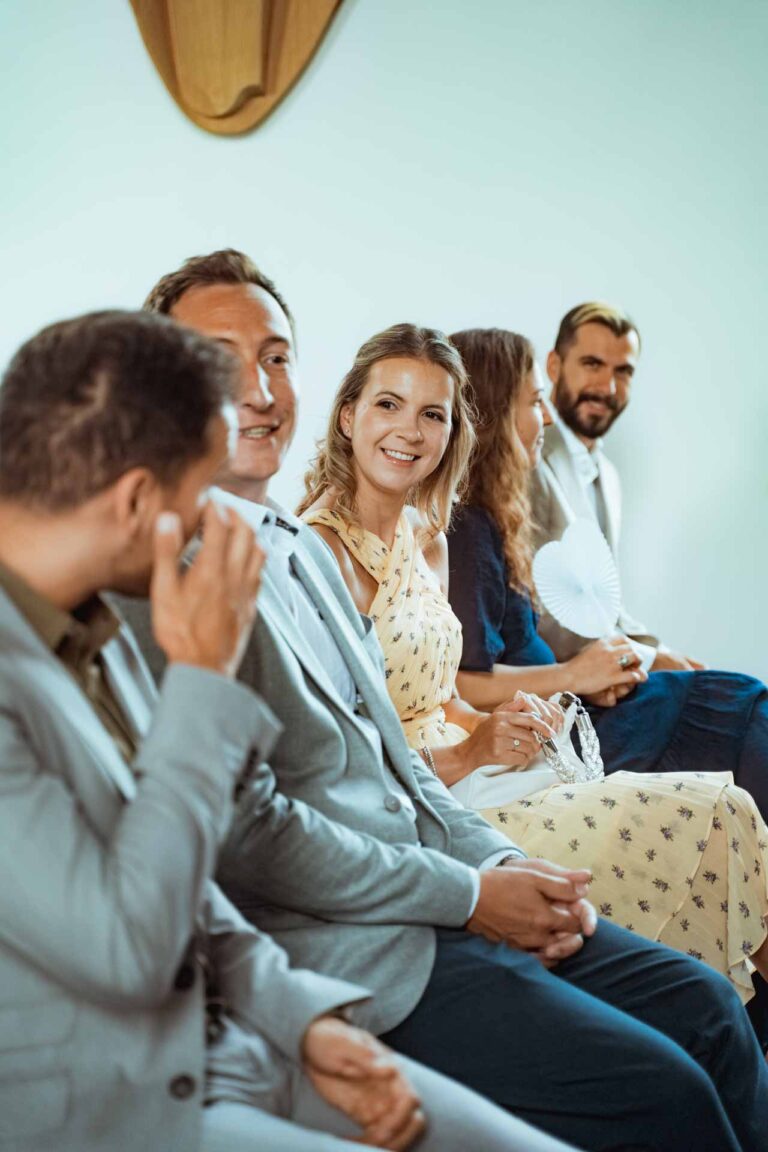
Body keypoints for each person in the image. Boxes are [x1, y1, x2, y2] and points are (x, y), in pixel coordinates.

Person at [118, 249, 768, 1152]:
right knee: (663, 1096)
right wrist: (469, 894)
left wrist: (507, 864)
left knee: (707, 1011)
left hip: (448, 877)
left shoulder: (295, 552)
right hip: (355, 950)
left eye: (276, 356)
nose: (260, 389)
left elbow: (398, 766)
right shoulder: (156, 575)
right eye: (219, 359)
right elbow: (250, 832)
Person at [0, 310, 560, 1152]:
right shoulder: (107, 644)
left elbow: (189, 885)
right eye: (202, 498)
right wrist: (200, 677)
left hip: (237, 1042)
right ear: (137, 503)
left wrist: (303, 1023)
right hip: (107, 1104)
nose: (212, 524)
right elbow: (128, 945)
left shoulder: (84, 625)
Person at [298, 321, 768, 1009]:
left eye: (433, 413)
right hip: (432, 816)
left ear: (454, 430)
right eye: (388, 405)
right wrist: (471, 752)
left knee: (732, 771)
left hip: (486, 776)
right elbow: (336, 765)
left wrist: (509, 720)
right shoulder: (317, 554)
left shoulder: (427, 540)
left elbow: (446, 699)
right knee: (722, 809)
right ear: (349, 416)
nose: (410, 430)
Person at [445, 325, 768, 1040]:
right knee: (744, 705)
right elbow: (464, 678)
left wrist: (622, 664)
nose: (543, 417)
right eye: (531, 401)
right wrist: (580, 676)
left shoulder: (495, 519)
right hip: (560, 732)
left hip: (580, 707)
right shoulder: (465, 527)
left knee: (738, 702)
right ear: (499, 410)